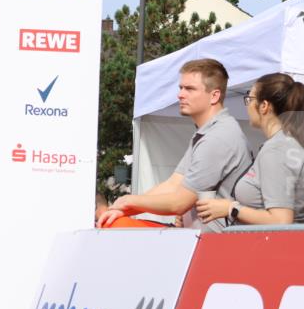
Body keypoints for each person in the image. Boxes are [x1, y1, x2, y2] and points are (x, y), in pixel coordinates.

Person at [98, 59, 252, 231]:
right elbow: (173, 184)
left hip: (213, 241)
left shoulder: (218, 137)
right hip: (194, 236)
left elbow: (179, 203)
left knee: (115, 225)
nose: (180, 95)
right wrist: (123, 209)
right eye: (181, 88)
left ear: (214, 96)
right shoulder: (209, 131)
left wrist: (129, 202)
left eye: (190, 89)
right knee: (115, 222)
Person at [196, 73, 304, 226]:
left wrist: (231, 209)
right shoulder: (289, 144)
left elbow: (281, 221)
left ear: (264, 106)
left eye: (250, 99)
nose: (247, 106)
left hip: (271, 240)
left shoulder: (278, 149)